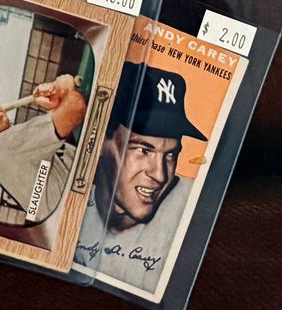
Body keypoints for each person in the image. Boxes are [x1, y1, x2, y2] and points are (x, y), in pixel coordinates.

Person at [77, 65, 209, 293]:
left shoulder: (195, 208)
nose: (160, 175)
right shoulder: (71, 186)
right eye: (143, 150)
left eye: (170, 155)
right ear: (102, 141)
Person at [0, 73, 87, 223]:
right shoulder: (6, 145)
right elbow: (75, 108)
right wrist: (66, 87)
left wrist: (55, 104)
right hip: (84, 213)